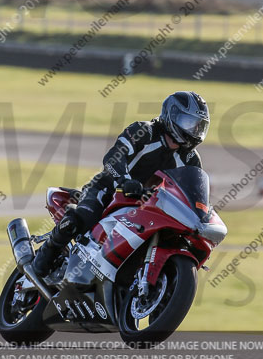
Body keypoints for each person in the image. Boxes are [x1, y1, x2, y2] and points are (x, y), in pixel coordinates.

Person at [32, 90, 210, 278]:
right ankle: (41, 261)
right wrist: (124, 181)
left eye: (199, 126)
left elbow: (193, 190)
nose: (194, 131)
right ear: (172, 115)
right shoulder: (145, 131)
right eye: (190, 123)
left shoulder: (191, 159)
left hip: (147, 206)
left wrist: (201, 215)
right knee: (82, 218)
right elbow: (113, 157)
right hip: (108, 189)